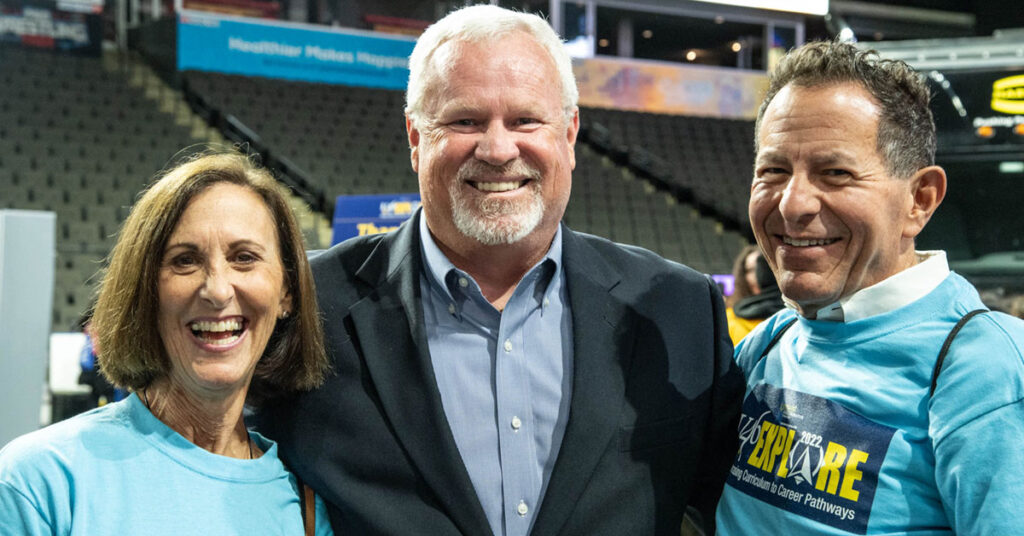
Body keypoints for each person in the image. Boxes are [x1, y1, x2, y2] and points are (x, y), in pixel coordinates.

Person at [256, 5, 744, 536]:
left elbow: (715, 507)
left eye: (525, 120)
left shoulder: (679, 309)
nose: (497, 149)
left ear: (570, 133)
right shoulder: (306, 305)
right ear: (416, 139)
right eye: (465, 121)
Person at [715, 40, 1024, 535]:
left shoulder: (985, 369)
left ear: (920, 200)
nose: (793, 205)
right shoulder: (770, 341)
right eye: (772, 171)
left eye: (835, 173)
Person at [0, 152, 334, 535]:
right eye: (185, 261)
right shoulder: (40, 481)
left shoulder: (305, 509)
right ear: (146, 290)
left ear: (286, 292)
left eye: (244, 258)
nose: (217, 290)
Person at [726, 246, 784, 344]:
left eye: (762, 269)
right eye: (751, 270)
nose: (758, 275)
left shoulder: (795, 313)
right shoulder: (728, 319)